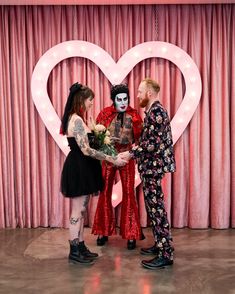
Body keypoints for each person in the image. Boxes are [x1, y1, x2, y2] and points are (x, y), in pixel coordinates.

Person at [60, 82, 126, 265]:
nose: (91, 104)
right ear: (82, 100)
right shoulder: (77, 120)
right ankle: (74, 251)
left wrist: (104, 139)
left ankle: (80, 246)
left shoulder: (78, 119)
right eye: (90, 100)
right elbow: (86, 150)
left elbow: (89, 145)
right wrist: (111, 159)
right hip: (79, 168)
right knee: (77, 211)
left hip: (84, 168)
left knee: (81, 211)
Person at [120, 78, 176, 269]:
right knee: (154, 209)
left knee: (157, 210)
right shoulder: (152, 111)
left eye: (139, 92)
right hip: (149, 167)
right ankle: (160, 245)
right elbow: (149, 141)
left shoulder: (157, 112)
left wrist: (130, 153)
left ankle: (165, 253)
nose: (137, 96)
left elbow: (153, 144)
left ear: (149, 93)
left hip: (153, 168)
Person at [92, 84, 144, 250]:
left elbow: (141, 139)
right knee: (105, 191)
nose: (123, 102)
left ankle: (131, 234)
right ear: (113, 100)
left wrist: (129, 153)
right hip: (109, 157)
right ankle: (103, 231)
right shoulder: (105, 114)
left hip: (127, 157)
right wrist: (110, 156)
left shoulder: (134, 115)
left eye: (125, 99)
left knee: (129, 193)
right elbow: (97, 139)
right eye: (119, 99)